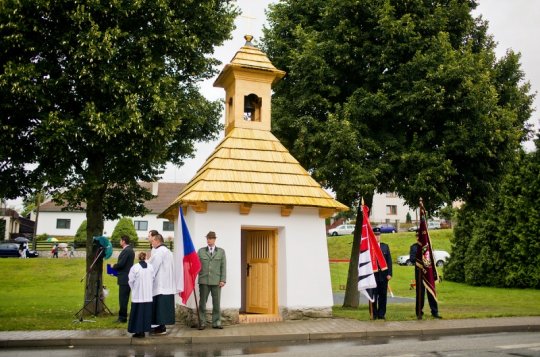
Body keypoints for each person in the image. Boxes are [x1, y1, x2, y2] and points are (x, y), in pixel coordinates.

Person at [197, 231, 227, 330]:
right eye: (207, 238)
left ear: (214, 239)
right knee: (202, 303)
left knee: (216, 303)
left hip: (216, 281)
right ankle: (202, 322)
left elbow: (223, 267)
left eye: (210, 238)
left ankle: (216, 322)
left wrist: (223, 280)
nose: (208, 240)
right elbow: (196, 265)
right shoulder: (201, 251)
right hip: (204, 281)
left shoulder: (221, 252)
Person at [148, 232, 176, 335]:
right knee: (164, 308)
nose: (151, 244)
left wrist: (147, 277)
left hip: (160, 284)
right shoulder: (168, 251)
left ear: (156, 241)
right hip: (168, 284)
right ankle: (161, 326)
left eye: (152, 241)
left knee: (159, 308)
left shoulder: (159, 252)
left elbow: (153, 267)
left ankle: (159, 328)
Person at [410, 242, 442, 319]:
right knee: (420, 294)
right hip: (419, 274)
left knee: (431, 292)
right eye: (417, 236)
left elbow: (432, 259)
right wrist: (421, 258)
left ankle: (435, 312)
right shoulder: (414, 247)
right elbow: (412, 259)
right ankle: (419, 312)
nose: (418, 237)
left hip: (428, 273)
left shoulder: (428, 246)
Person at [128, 251, 155, 338]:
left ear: (138, 258)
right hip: (147, 294)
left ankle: (138, 331)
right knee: (146, 313)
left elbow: (131, 280)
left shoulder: (135, 267)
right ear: (146, 257)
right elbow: (153, 278)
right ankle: (145, 329)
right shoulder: (150, 267)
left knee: (138, 313)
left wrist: (134, 289)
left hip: (138, 294)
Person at [112, 235, 135, 323]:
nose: (119, 242)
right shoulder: (130, 250)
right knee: (124, 298)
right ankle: (123, 316)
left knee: (123, 299)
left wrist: (113, 267)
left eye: (120, 240)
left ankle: (122, 317)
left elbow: (121, 264)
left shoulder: (127, 250)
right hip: (126, 276)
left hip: (125, 278)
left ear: (124, 241)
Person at [371, 231, 392, 320]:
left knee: (383, 296)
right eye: (375, 235)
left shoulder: (385, 246)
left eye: (378, 235)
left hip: (383, 276)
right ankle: (374, 314)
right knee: (374, 295)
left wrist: (389, 273)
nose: (377, 237)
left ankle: (381, 314)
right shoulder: (370, 247)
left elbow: (389, 261)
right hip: (374, 276)